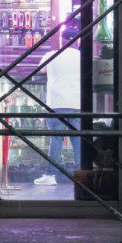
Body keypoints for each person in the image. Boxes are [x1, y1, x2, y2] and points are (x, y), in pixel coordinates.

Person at [34, 28, 81, 186]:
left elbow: (41, 70)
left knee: (56, 140)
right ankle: (80, 175)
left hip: (56, 104)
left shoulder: (51, 55)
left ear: (62, 39)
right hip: (77, 103)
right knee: (78, 141)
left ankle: (50, 175)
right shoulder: (83, 57)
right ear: (78, 40)